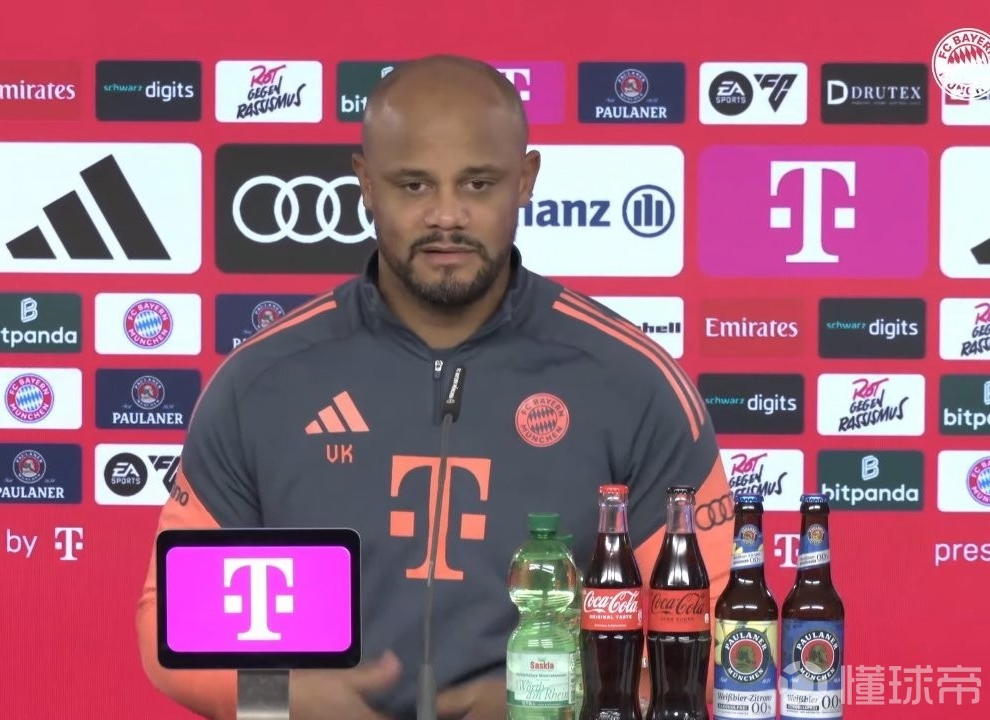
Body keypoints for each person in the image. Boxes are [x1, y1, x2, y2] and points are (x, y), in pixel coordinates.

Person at [135, 54, 733, 720]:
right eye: (414, 185)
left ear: (526, 180)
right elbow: (172, 628)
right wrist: (281, 701)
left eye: (478, 183)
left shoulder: (632, 383)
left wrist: (562, 701)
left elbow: (711, 633)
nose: (446, 216)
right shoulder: (263, 381)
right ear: (365, 184)